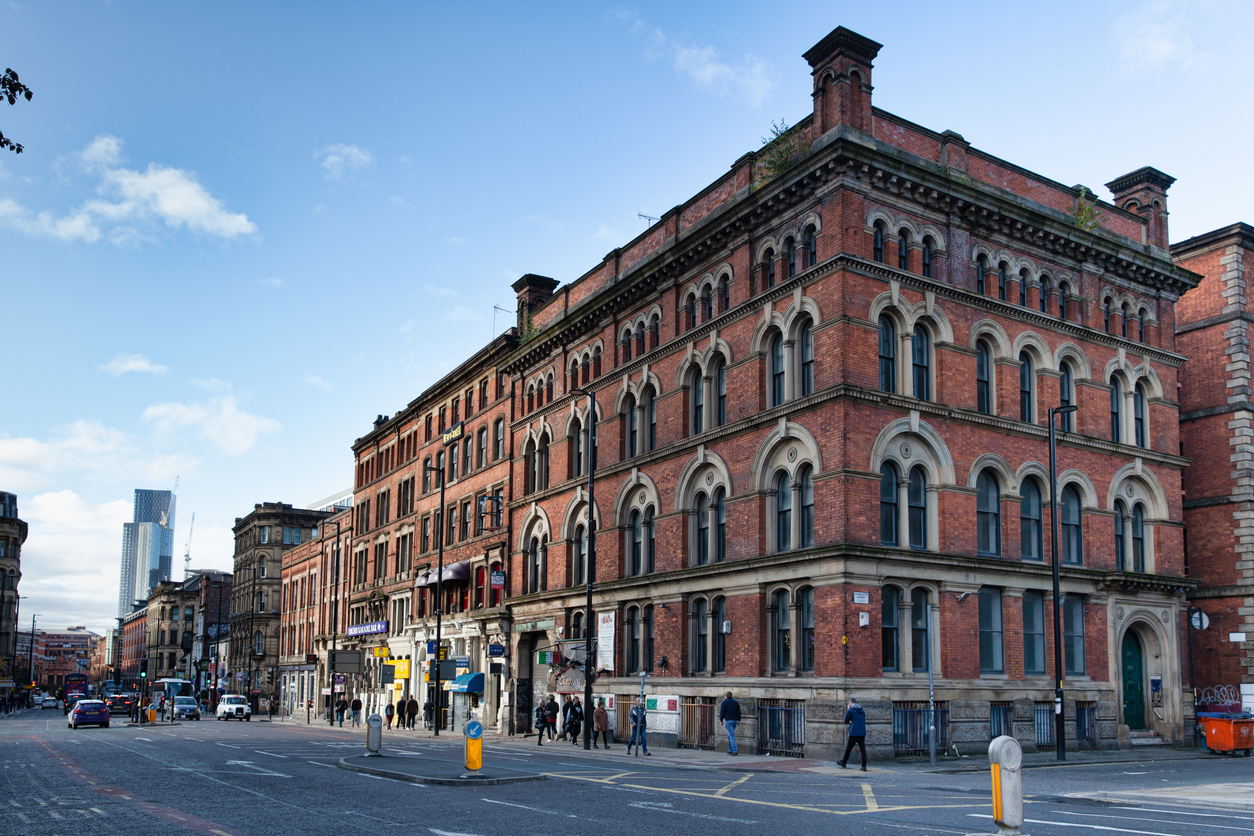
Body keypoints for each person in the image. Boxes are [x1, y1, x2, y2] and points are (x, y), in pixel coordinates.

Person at [839, 696, 867, 771]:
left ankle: (844, 762)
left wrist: (848, 709)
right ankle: (864, 766)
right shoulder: (861, 710)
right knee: (862, 750)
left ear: (850, 703)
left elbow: (846, 719)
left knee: (849, 748)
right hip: (862, 732)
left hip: (854, 732)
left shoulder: (851, 710)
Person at [719, 691, 741, 756]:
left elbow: (722, 712)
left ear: (726, 696)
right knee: (730, 735)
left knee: (731, 736)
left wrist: (721, 720)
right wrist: (739, 720)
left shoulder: (724, 703)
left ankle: (735, 750)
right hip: (734, 720)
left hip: (728, 721)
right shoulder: (735, 703)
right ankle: (730, 750)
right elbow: (738, 712)